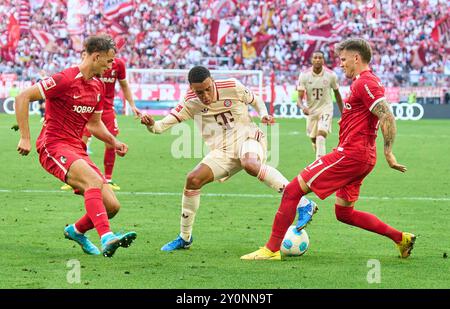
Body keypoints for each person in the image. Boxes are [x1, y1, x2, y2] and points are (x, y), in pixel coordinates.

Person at [241, 38, 415, 261]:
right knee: (344, 213)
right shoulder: (365, 81)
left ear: (356, 58)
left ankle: (271, 249)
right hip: (361, 157)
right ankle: (401, 238)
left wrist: (389, 152)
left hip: (351, 154)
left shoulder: (365, 83)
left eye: (343, 60)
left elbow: (387, 114)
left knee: (293, 190)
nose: (341, 64)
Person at [140, 65, 315, 251]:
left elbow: (256, 100)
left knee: (250, 163)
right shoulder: (190, 102)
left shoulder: (232, 86)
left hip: (249, 138)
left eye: (208, 88)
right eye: (200, 92)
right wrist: (151, 124)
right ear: (192, 89)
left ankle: (303, 204)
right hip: (223, 151)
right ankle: (185, 238)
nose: (205, 95)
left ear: (212, 81)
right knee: (193, 179)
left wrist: (263, 114)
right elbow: (159, 127)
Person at [15, 35, 137, 257]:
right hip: (53, 146)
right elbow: (23, 97)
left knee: (112, 206)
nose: (111, 67)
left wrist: (114, 141)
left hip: (76, 149)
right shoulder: (65, 79)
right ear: (96, 56)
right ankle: (107, 238)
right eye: (109, 61)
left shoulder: (98, 86)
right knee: (92, 182)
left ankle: (76, 231)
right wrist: (25, 137)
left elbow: (94, 124)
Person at [61, 56, 141, 191]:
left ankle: (108, 179)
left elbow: (124, 85)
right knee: (80, 142)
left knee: (111, 142)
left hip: (107, 109)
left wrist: (132, 105)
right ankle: (75, 177)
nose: (109, 65)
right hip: (89, 107)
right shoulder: (90, 65)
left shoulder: (118, 65)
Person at [297, 51, 343, 160]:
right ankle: (316, 149)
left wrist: (343, 113)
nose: (318, 60)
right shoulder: (304, 76)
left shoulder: (331, 75)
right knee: (313, 138)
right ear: (312, 60)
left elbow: (337, 94)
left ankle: (320, 163)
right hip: (311, 111)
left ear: (323, 60)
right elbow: (299, 98)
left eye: (320, 58)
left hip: (326, 109)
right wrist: (303, 107)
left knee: (321, 136)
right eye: (315, 57)